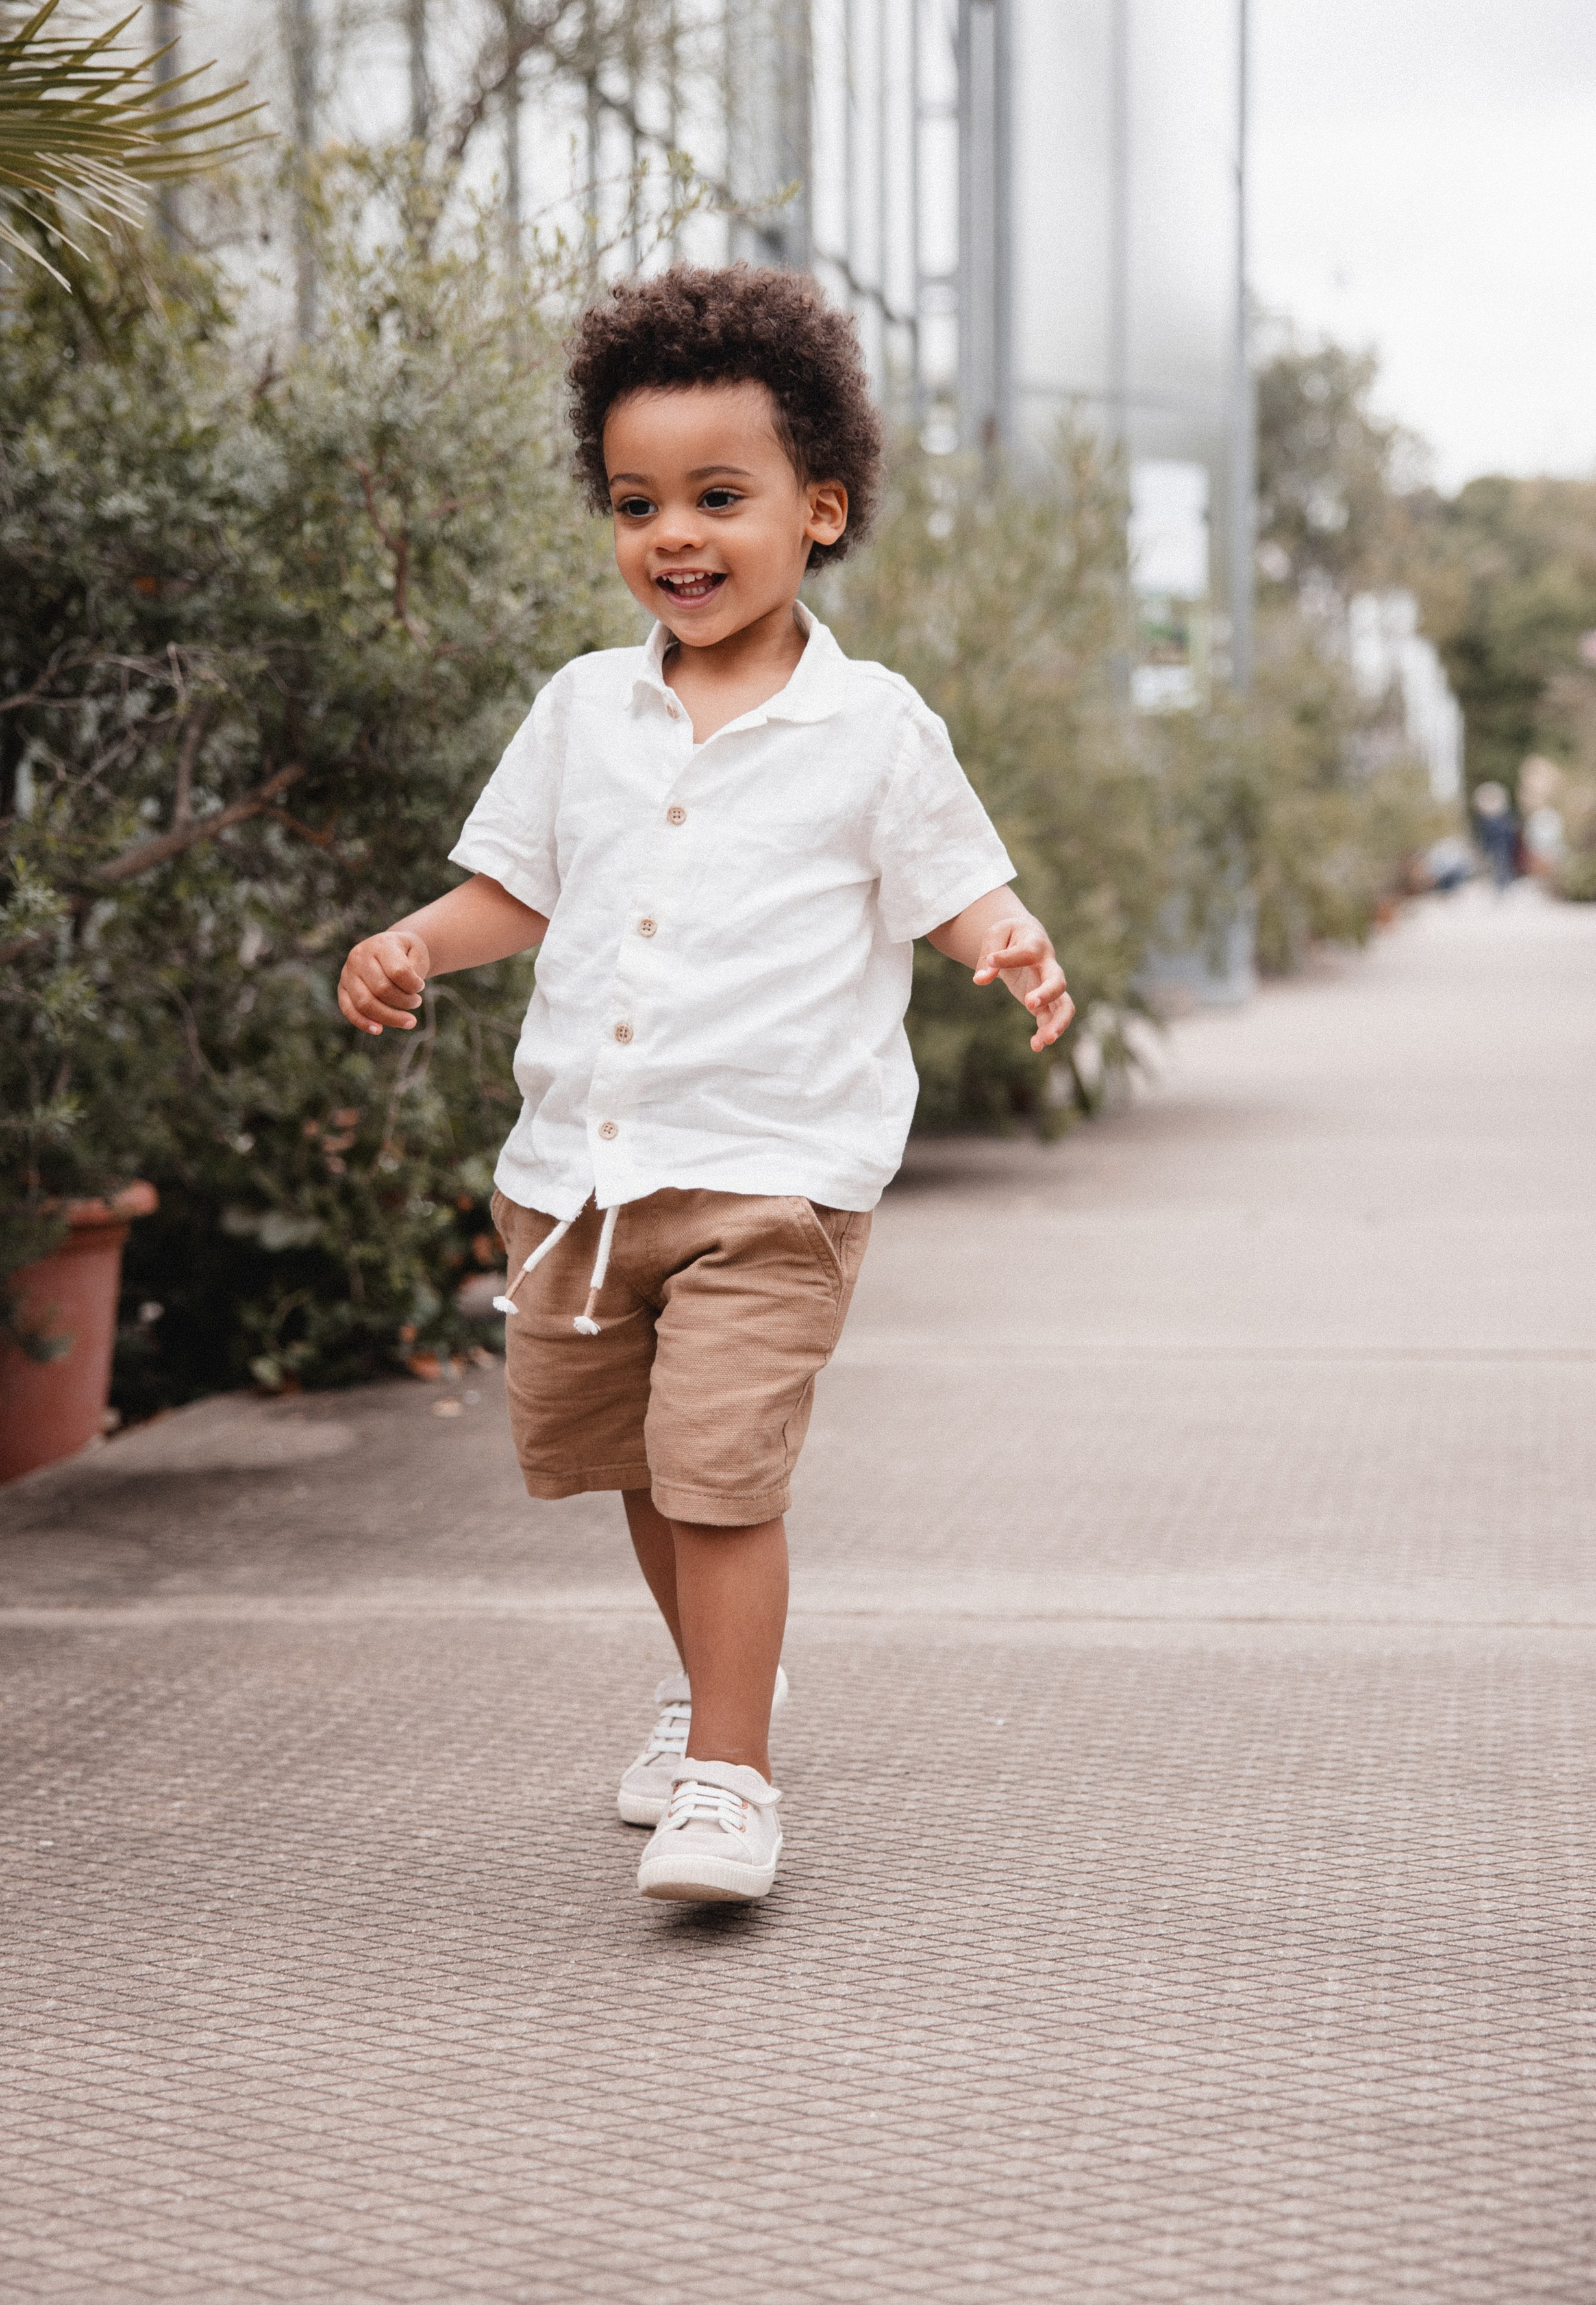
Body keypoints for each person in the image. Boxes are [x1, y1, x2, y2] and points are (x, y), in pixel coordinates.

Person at [338, 265, 1073, 1906]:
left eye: (717, 498)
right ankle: (712, 1686)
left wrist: (1006, 941)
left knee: (723, 1468)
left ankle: (732, 1777)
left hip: (773, 1174)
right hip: (580, 1179)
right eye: (635, 501)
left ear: (819, 510)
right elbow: (518, 892)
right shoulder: (580, 711)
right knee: (639, 1464)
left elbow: (949, 879)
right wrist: (411, 943)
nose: (674, 535)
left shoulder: (871, 729)